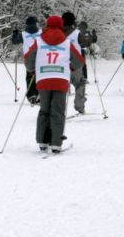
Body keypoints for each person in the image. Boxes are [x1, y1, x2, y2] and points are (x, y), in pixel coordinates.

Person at [24, 15, 84, 153]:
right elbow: (79, 62)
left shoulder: (39, 41)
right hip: (61, 79)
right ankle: (56, 143)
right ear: (61, 26)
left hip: (44, 79)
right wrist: (70, 68)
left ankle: (42, 142)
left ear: (47, 25)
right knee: (58, 111)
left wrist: (33, 71)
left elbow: (28, 60)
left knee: (44, 110)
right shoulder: (66, 42)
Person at [62, 11, 87, 114]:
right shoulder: (77, 33)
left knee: (61, 87)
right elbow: (85, 43)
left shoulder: (58, 33)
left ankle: (59, 108)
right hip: (75, 64)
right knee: (79, 84)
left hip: (62, 64)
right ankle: (80, 107)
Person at [12, 16, 41, 104]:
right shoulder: (40, 32)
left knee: (29, 76)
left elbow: (15, 42)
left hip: (28, 58)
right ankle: (40, 94)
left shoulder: (23, 34)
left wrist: (15, 33)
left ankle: (32, 95)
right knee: (40, 76)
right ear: (35, 23)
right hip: (40, 57)